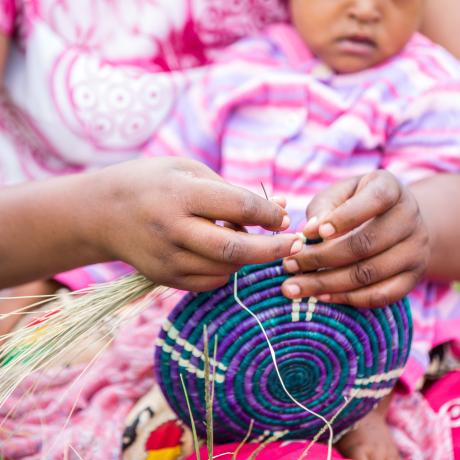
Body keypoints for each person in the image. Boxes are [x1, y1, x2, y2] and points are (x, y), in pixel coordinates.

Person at [0, 0, 460, 459]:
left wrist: (374, 399)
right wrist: (71, 279)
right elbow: (156, 194)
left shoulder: (430, 85)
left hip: (365, 330)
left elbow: (403, 251)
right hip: (224, 328)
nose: (366, 10)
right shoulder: (238, 71)